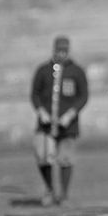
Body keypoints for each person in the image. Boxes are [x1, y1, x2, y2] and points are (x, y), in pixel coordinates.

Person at [31, 36, 88, 205]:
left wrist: (71, 113)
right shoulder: (43, 70)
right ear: (54, 49)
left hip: (67, 125)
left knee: (66, 159)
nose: (61, 54)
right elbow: (35, 94)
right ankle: (50, 189)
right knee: (43, 157)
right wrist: (41, 111)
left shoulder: (76, 71)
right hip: (46, 125)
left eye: (64, 51)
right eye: (59, 50)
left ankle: (63, 195)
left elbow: (83, 96)